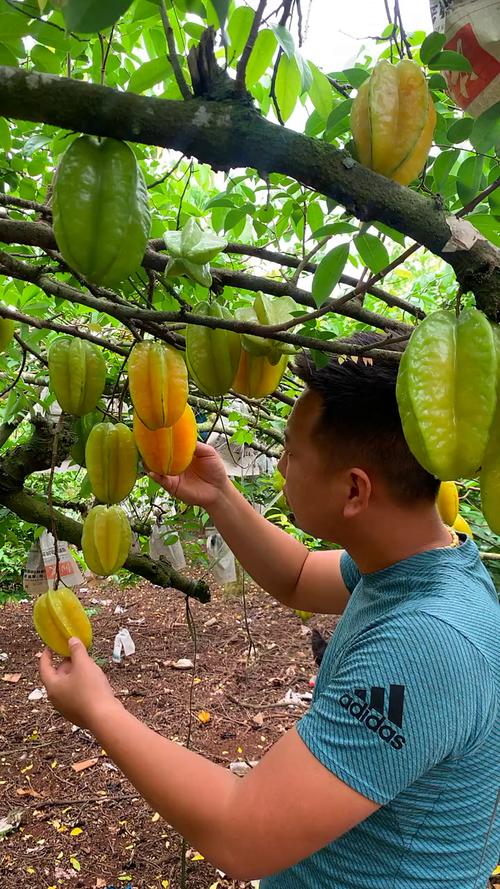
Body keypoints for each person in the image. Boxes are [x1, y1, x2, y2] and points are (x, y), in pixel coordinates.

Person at [40, 334, 500, 888]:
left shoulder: (427, 644)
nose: (279, 465)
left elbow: (241, 834)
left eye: (291, 453)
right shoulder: (424, 559)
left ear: (355, 491)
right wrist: (221, 496)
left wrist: (98, 709)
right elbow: (301, 576)